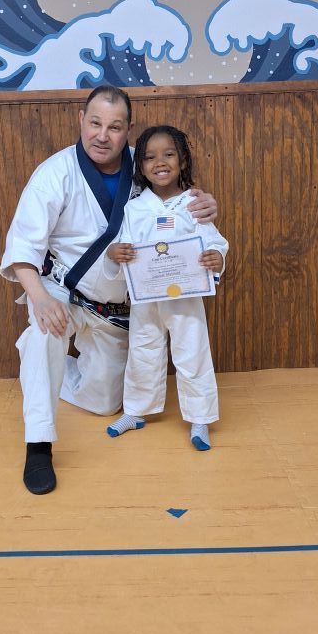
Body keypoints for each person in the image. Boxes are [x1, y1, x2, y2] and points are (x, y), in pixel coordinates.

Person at [0, 87, 218, 495]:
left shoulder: (146, 165)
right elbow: (22, 249)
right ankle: (38, 444)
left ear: (128, 130)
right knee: (44, 335)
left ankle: (48, 371)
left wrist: (203, 205)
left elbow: (178, 204)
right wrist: (40, 298)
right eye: (95, 123)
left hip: (115, 310)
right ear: (81, 120)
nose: (102, 135)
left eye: (115, 127)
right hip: (62, 293)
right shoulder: (54, 174)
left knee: (104, 402)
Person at [105, 125, 228, 450]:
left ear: (182, 161)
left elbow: (215, 241)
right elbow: (122, 245)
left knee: (193, 353)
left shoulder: (193, 205)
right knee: (142, 351)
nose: (160, 162)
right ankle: (136, 411)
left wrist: (216, 257)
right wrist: (115, 252)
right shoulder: (134, 209)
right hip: (145, 299)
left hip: (185, 298)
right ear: (141, 166)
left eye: (169, 154)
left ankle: (200, 417)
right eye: (150, 157)